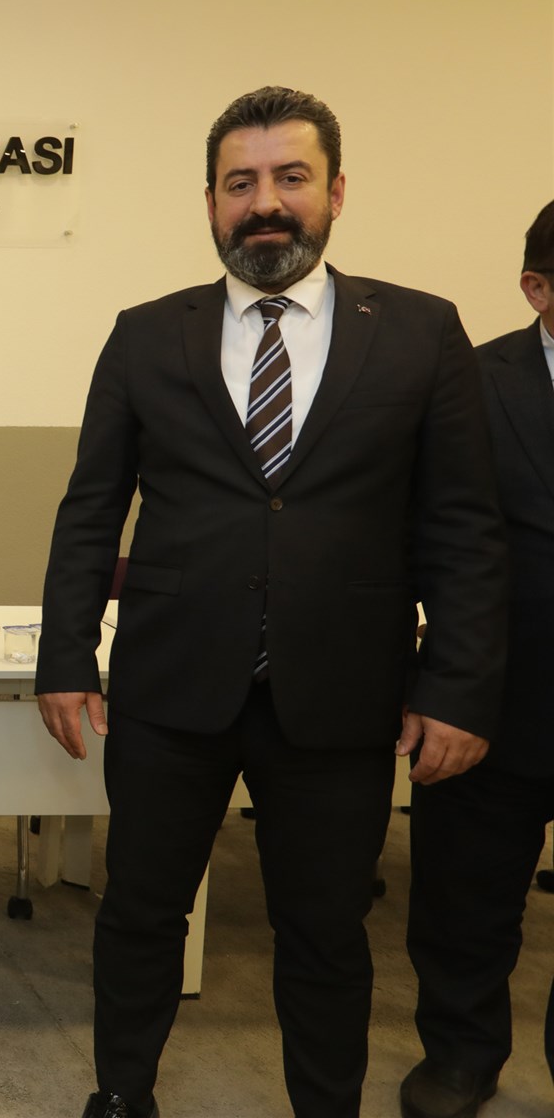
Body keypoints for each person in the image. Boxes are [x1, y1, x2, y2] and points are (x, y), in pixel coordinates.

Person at [35, 85, 509, 1118]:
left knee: (326, 930)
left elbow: (465, 528)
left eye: (291, 177)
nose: (265, 202)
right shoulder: (145, 334)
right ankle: (122, 1092)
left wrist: (459, 685)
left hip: (342, 693)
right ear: (210, 200)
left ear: (335, 191)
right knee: (140, 911)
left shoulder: (422, 333)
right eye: (239, 182)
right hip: (170, 687)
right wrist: (64, 656)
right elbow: (91, 511)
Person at [398, 199, 554, 1118]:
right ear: (537, 288)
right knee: (466, 901)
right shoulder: (472, 383)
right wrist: (439, 688)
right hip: (494, 694)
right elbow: (425, 540)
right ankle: (460, 1056)